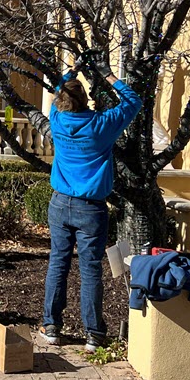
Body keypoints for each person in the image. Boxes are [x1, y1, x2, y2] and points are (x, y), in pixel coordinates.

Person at [36, 50, 142, 350]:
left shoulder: (57, 120)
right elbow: (133, 102)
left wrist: (73, 71)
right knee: (90, 269)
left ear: (62, 103)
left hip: (60, 203)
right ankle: (94, 334)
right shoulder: (101, 125)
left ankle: (51, 327)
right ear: (86, 101)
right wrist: (106, 74)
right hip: (90, 209)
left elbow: (59, 90)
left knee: (58, 264)